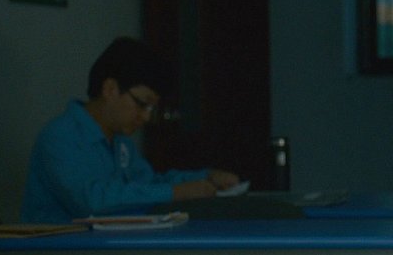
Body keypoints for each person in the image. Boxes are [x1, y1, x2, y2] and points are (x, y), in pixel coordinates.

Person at [21, 37, 240, 223]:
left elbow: (147, 184)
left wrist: (206, 178)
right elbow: (91, 201)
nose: (146, 117)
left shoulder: (120, 142)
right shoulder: (60, 136)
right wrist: (175, 193)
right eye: (142, 104)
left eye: (151, 109)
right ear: (110, 89)